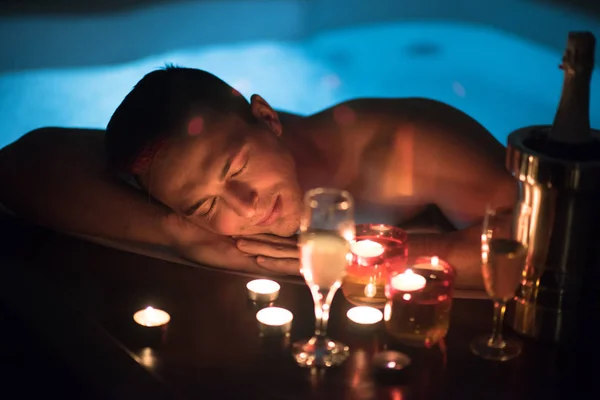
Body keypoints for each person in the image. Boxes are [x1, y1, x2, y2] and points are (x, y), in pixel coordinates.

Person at [0, 66, 515, 289]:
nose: (245, 206)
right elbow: (21, 165)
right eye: (204, 207)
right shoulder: (167, 167)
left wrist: (361, 260)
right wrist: (180, 235)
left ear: (267, 117)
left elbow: (532, 237)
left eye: (236, 167)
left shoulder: (401, 145)